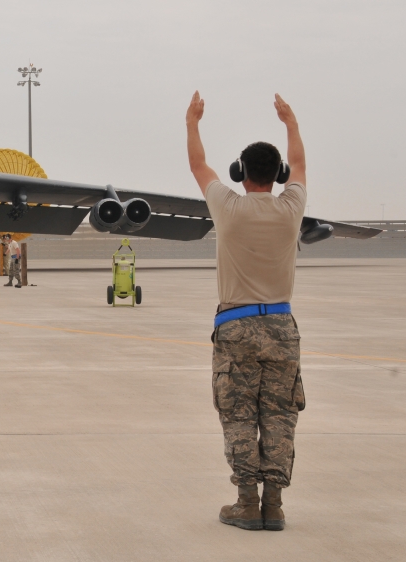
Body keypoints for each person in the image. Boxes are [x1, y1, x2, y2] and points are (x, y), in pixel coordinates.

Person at [187, 91, 307, 532]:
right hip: (281, 325)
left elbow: (199, 167)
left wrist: (192, 122)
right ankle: (273, 505)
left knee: (239, 414)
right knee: (278, 414)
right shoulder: (291, 208)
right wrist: (290, 123)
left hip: (235, 326)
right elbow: (301, 165)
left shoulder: (229, 208)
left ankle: (245, 504)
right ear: (278, 174)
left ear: (241, 174)